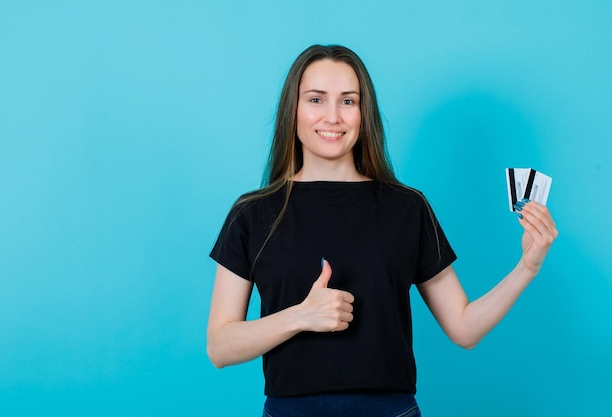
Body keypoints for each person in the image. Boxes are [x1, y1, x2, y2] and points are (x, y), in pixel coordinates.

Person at [206, 44, 558, 417]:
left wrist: (527, 268)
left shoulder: (406, 208)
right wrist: (301, 316)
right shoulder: (252, 214)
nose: (332, 117)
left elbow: (464, 328)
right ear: (292, 110)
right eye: (315, 99)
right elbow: (220, 346)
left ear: (364, 112)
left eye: (348, 101)